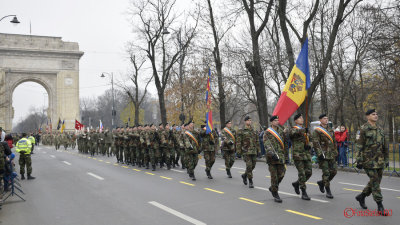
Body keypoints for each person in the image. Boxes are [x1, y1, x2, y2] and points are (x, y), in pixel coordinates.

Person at [355, 109, 389, 216]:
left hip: (379, 160)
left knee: (376, 182)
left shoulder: (380, 129)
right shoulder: (363, 129)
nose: (376, 115)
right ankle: (380, 205)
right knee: (375, 182)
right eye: (373, 114)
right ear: (367, 116)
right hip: (368, 161)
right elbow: (359, 146)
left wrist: (386, 159)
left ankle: (362, 196)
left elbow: (385, 146)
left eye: (376, 114)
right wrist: (359, 160)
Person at [264, 116, 289, 203]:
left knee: (282, 174)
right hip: (272, 158)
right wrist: (271, 153)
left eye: (278, 120)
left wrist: (286, 156)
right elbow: (267, 144)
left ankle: (273, 187)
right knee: (274, 177)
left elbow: (285, 144)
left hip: (281, 157)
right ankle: (275, 193)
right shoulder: (267, 132)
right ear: (271, 122)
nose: (277, 122)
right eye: (275, 120)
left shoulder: (281, 131)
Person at [313, 114, 337, 199]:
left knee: (334, 171)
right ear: (320, 120)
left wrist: (335, 152)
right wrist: (319, 154)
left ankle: (322, 182)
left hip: (331, 154)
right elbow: (316, 143)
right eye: (324, 118)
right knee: (326, 173)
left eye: (327, 118)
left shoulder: (330, 130)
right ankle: (328, 190)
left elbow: (334, 142)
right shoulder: (317, 130)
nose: (326, 120)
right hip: (323, 155)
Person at [290, 113, 312, 200]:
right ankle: (303, 192)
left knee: (309, 172)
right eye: (299, 118)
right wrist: (303, 130)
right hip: (298, 155)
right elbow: (292, 134)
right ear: (295, 121)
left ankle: (297, 183)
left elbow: (310, 139)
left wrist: (309, 145)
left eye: (302, 118)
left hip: (306, 154)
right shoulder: (293, 129)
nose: (302, 119)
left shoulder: (305, 130)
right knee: (302, 173)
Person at [236, 116, 260, 188]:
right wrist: (238, 152)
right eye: (248, 120)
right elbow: (238, 142)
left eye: (250, 120)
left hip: (254, 151)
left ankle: (244, 175)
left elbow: (257, 141)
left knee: (253, 166)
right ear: (245, 121)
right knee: (249, 166)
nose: (250, 121)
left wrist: (259, 150)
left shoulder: (254, 130)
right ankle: (250, 181)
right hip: (246, 151)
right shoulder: (241, 130)